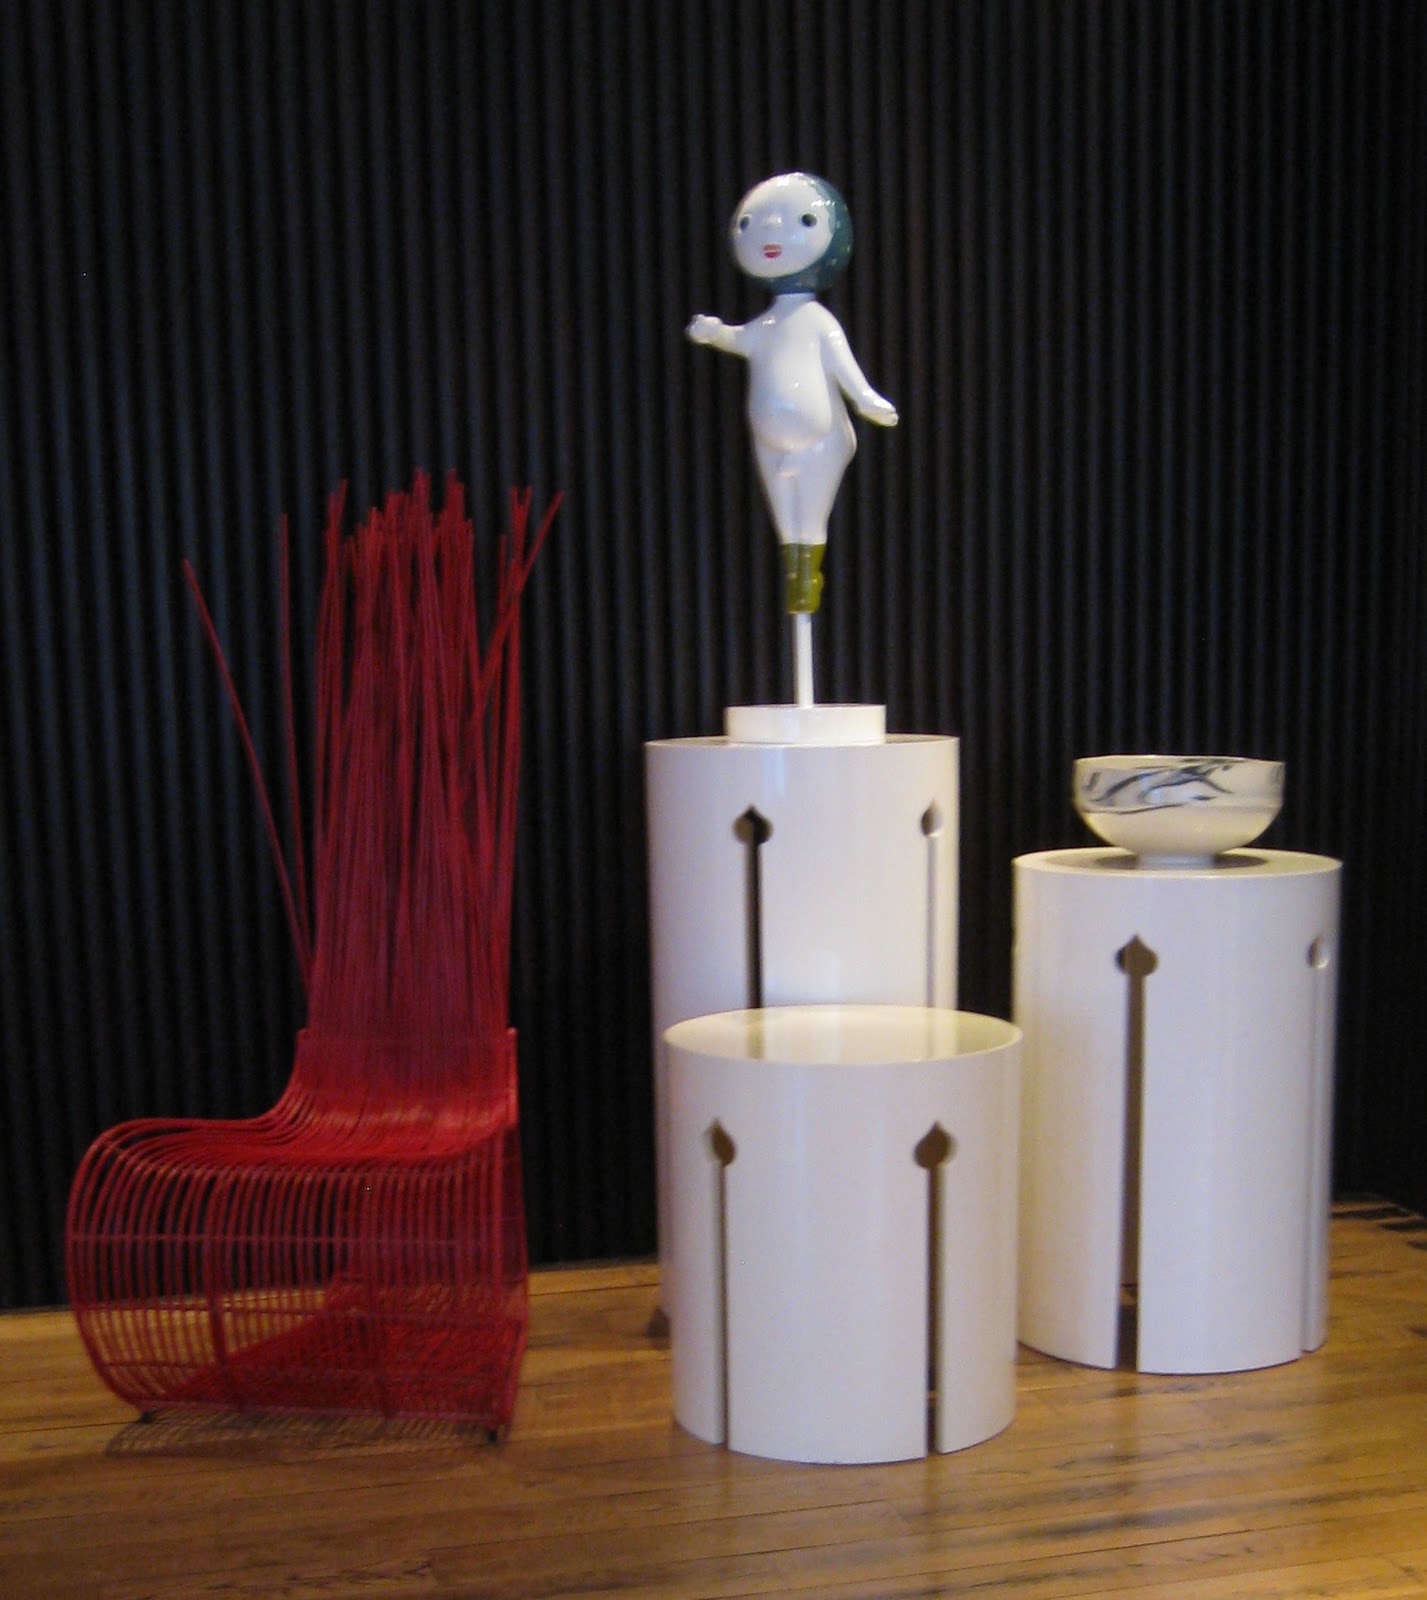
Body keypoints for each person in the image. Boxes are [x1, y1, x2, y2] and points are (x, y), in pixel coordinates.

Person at [687, 172, 898, 615]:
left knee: (811, 517)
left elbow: (843, 366)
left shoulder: (817, 321)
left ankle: (807, 576)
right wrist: (715, 333)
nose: (771, 232)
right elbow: (739, 338)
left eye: (801, 221)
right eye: (752, 223)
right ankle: (797, 576)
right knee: (787, 522)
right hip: (769, 443)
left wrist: (865, 399)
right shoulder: (765, 327)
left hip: (820, 442)